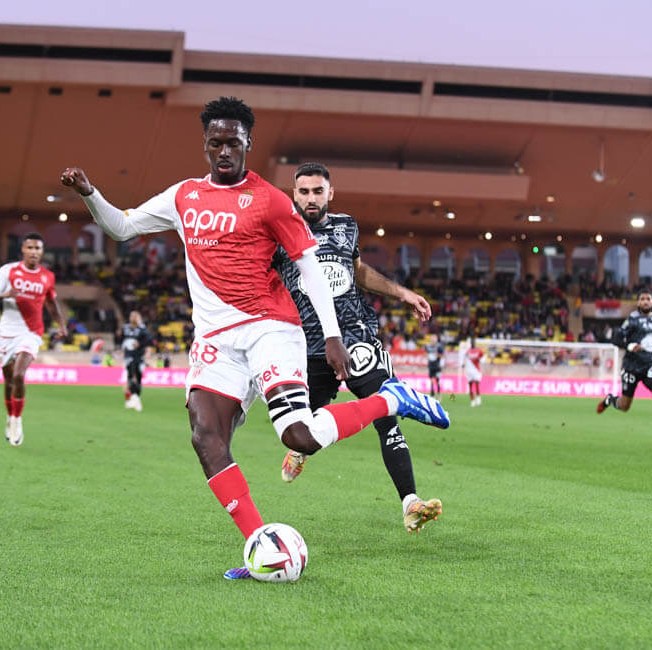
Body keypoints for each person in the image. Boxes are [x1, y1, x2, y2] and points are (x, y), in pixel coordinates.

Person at [61, 96, 449, 579]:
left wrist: (332, 336)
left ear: (248, 142)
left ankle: (392, 399)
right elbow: (121, 227)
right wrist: (90, 193)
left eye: (233, 142)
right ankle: (261, 544)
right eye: (216, 143)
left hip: (271, 329)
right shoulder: (183, 196)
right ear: (205, 144)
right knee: (206, 437)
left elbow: (310, 267)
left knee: (299, 437)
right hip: (215, 340)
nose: (224, 151)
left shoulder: (271, 200)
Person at [271, 162, 444, 533]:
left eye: (318, 191)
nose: (311, 198)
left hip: (357, 334)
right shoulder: (279, 234)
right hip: (309, 343)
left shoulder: (346, 226)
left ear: (330, 193)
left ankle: (411, 503)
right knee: (305, 429)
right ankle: (300, 450)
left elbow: (359, 272)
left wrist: (403, 293)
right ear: (294, 194)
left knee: (386, 413)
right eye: (304, 192)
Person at [0, 233, 67, 446]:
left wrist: (61, 324)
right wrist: (5, 295)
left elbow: (51, 303)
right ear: (22, 249)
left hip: (32, 332)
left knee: (19, 374)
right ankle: (10, 416)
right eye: (30, 247)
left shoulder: (47, 276)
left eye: (37, 248)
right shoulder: (8, 271)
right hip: (7, 332)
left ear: (42, 251)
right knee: (9, 380)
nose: (34, 252)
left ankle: (17, 420)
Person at [596, 291, 652, 449]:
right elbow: (616, 339)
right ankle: (610, 400)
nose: (645, 301)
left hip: (649, 366)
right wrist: (630, 346)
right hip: (631, 367)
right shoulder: (632, 319)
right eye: (642, 299)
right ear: (638, 303)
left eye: (648, 299)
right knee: (625, 406)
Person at [120, 310, 153, 411]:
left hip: (139, 356)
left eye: (135, 316)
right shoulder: (125, 328)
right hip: (129, 356)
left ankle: (136, 399)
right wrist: (123, 350)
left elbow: (149, 340)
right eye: (132, 316)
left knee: (138, 378)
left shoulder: (142, 329)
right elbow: (122, 340)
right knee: (130, 377)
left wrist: (146, 351)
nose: (133, 318)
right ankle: (132, 399)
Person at [463, 336, 483, 406]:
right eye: (471, 342)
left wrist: (480, 360)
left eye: (473, 342)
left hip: (476, 370)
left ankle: (478, 398)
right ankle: (472, 400)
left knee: (477, 384)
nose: (472, 343)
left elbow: (482, 357)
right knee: (470, 385)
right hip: (469, 370)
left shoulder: (478, 350)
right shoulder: (468, 351)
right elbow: (465, 358)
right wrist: (463, 364)